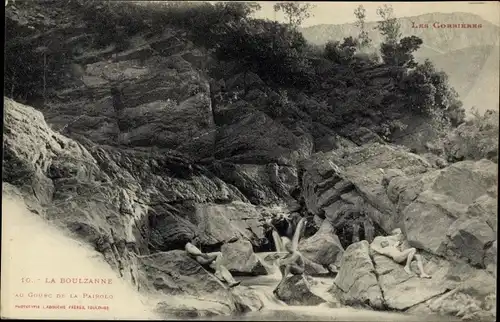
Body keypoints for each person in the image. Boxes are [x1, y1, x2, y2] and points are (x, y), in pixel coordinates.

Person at [273, 218, 307, 294]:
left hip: (300, 270)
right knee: (282, 266)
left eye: (289, 247)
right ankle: (282, 279)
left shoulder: (296, 254)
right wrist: (277, 258)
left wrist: (282, 261)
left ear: (291, 247)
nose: (288, 249)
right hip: (293, 268)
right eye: (287, 248)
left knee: (288, 265)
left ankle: (282, 282)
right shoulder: (289, 253)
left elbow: (290, 261)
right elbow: (283, 258)